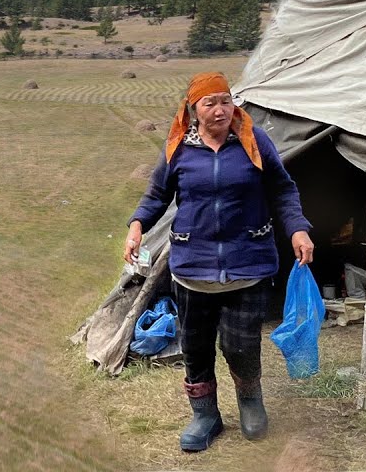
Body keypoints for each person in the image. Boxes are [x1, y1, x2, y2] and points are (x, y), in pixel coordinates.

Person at [124, 71, 313, 452]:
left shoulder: (253, 141)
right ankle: (205, 414)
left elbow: (282, 189)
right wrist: (136, 225)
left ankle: (250, 402)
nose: (220, 109)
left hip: (248, 264)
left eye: (226, 100)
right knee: (195, 346)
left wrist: (297, 228)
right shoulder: (178, 148)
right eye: (210, 103)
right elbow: (158, 194)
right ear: (193, 111)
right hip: (193, 267)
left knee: (240, 345)